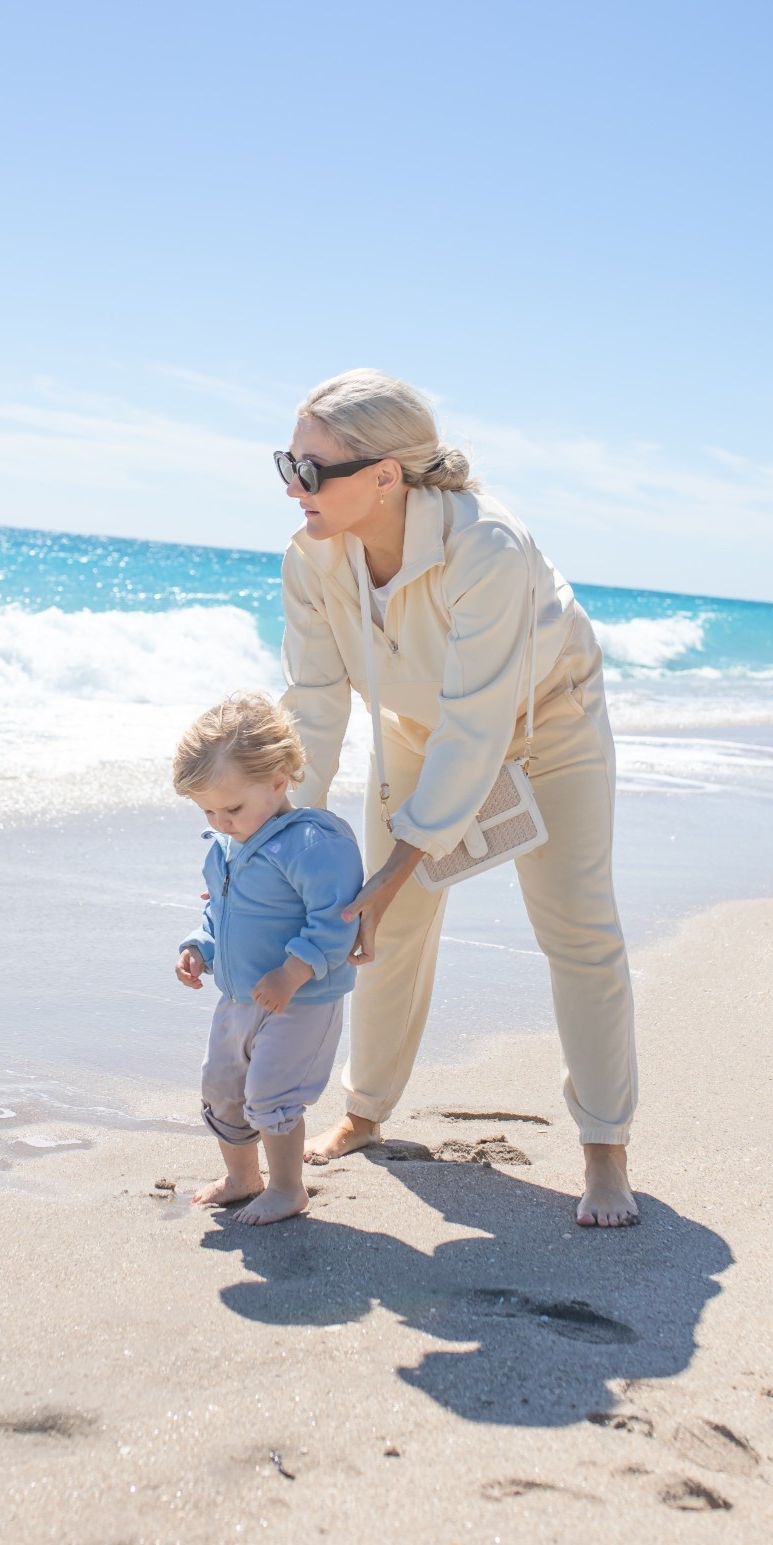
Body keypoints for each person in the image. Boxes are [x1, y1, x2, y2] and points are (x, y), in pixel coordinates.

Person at [278, 369, 640, 1228]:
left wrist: (404, 860)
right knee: (383, 924)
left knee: (577, 928)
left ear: (385, 476)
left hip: (546, 721)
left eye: (314, 470)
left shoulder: (488, 547)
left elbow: (478, 727)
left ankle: (604, 1153)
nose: (296, 488)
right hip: (413, 727)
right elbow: (316, 706)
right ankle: (365, 1113)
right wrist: (287, 833)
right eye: (288, 465)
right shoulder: (310, 556)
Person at [173, 691, 365, 1225]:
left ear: (279, 780)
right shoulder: (229, 843)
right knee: (222, 1087)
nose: (220, 820)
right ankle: (242, 1177)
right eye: (208, 809)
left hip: (299, 997)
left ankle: (287, 1187)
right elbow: (221, 913)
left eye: (231, 808)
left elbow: (336, 919)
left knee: (270, 1093)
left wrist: (293, 970)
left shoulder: (310, 842)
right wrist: (198, 946)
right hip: (240, 997)